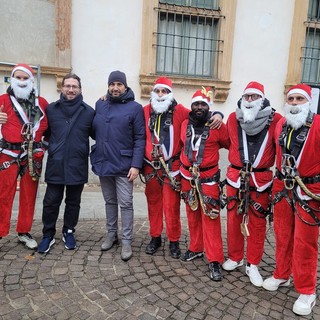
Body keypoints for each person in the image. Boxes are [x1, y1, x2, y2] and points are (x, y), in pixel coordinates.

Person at [143, 77, 223, 259]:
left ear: (170, 94)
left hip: (172, 169)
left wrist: (218, 113)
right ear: (153, 93)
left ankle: (173, 240)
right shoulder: (145, 111)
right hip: (151, 169)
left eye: (164, 91)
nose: (161, 95)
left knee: (171, 207)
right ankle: (155, 237)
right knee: (153, 204)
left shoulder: (181, 111)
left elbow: (200, 114)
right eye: (158, 91)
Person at [263, 84, 320, 316]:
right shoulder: (281, 124)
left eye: (299, 99)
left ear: (307, 102)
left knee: (305, 241)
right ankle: (282, 273)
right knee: (283, 234)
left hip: (309, 188)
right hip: (283, 187)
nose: (295, 102)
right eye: (291, 99)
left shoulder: (318, 125)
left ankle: (307, 290)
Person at [222, 81, 282, 287]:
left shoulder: (277, 120)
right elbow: (223, 138)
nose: (249, 100)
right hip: (235, 177)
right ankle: (235, 256)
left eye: (254, 97)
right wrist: (217, 115)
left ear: (262, 99)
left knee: (257, 223)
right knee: (233, 218)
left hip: (261, 179)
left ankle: (253, 264)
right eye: (247, 96)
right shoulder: (232, 118)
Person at [90, 70, 146, 261]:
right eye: (112, 84)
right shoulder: (100, 104)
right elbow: (94, 130)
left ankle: (127, 240)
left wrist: (136, 165)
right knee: (109, 201)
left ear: (125, 86)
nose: (115, 88)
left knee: (126, 203)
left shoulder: (135, 107)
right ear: (108, 86)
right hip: (104, 161)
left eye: (119, 84)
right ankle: (111, 234)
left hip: (124, 165)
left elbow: (140, 138)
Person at [37, 73, 95, 254]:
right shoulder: (52, 110)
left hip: (77, 164)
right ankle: (48, 234)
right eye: (67, 86)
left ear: (79, 89)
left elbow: (98, 134)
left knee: (73, 202)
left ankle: (69, 231)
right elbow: (40, 131)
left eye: (74, 86)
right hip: (56, 163)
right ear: (62, 88)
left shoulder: (89, 112)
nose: (71, 89)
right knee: (51, 202)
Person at [179, 88, 229, 281]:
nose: (199, 108)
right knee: (192, 213)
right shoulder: (185, 123)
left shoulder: (218, 127)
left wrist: (220, 115)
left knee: (211, 217)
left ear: (209, 107)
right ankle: (196, 247)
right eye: (196, 104)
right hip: (187, 177)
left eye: (203, 105)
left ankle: (215, 259)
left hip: (208, 178)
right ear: (191, 107)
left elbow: (229, 144)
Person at [0, 63, 48, 249]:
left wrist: (42, 148)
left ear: (31, 80)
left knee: (29, 195)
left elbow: (50, 129)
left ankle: (23, 231)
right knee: (3, 194)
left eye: (25, 78)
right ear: (12, 78)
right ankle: (1, 231)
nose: (21, 81)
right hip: (8, 154)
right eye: (18, 77)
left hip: (32, 156)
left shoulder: (41, 103)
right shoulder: (3, 100)